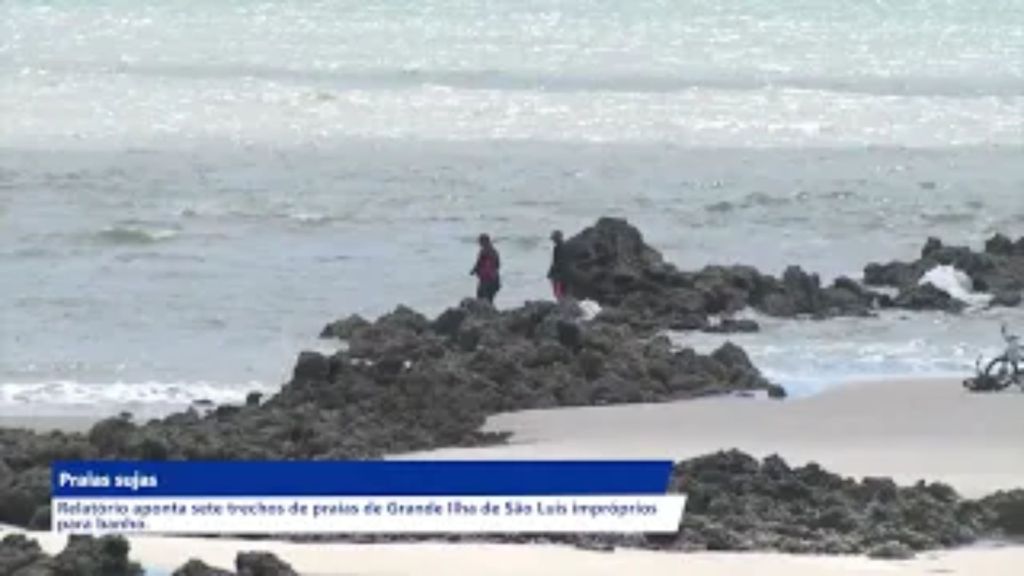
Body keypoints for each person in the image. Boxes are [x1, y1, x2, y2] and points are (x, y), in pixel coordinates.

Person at [470, 233, 501, 304]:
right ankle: (491, 313)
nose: (479, 244)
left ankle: (487, 314)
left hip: (486, 280)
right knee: (489, 300)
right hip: (495, 279)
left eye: (480, 241)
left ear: (485, 241)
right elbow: (498, 265)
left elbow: (478, 264)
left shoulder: (484, 251)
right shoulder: (494, 252)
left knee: (481, 299)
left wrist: (473, 271)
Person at [547, 230, 568, 300]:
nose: (553, 240)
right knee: (559, 291)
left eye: (554, 238)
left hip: (559, 274)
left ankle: (561, 303)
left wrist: (552, 272)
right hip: (560, 273)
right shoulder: (561, 246)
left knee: (558, 292)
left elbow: (558, 262)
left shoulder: (559, 247)